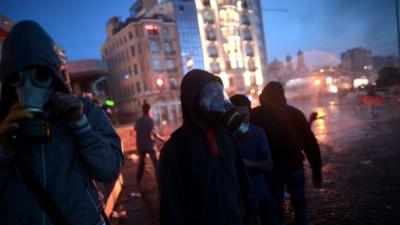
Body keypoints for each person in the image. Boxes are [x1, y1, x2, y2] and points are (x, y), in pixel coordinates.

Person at [0, 21, 124, 225]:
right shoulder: (3, 122)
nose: (29, 88)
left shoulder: (84, 109)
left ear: (53, 76)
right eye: (17, 78)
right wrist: (3, 152)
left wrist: (80, 124)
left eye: (40, 75)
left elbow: (109, 169)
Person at [159, 69, 260, 225]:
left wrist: (252, 211)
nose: (218, 98)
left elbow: (242, 177)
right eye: (209, 93)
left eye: (218, 91)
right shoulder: (175, 149)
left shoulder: (227, 136)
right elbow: (171, 207)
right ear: (192, 101)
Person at [250, 81, 322, 225]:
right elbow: (310, 144)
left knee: (275, 207)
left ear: (263, 97)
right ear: (282, 96)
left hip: (272, 170)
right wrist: (316, 172)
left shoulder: (255, 115)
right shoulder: (296, 113)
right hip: (295, 167)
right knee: (300, 203)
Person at [230, 94, 274, 225]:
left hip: (259, 193)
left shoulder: (258, 133)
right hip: (237, 198)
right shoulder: (224, 136)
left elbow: (269, 165)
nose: (242, 120)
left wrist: (245, 163)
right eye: (237, 117)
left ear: (250, 113)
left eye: (245, 115)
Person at [134, 101, 164, 187]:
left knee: (141, 164)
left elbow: (137, 131)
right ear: (149, 110)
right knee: (156, 163)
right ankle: (160, 181)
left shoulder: (139, 121)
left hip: (140, 145)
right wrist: (161, 139)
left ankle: (138, 181)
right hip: (149, 145)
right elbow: (153, 134)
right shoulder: (150, 120)